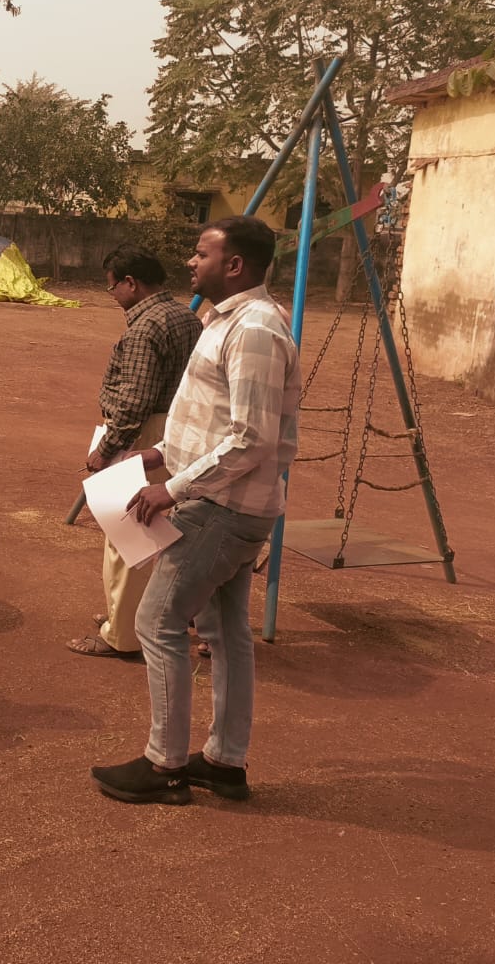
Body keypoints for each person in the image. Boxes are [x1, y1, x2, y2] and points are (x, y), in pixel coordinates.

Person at [90, 215, 301, 805]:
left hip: (221, 508)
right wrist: (160, 453)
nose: (190, 261)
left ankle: (165, 764)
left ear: (233, 265)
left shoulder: (254, 329)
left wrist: (174, 487)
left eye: (201, 253)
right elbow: (215, 417)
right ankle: (224, 763)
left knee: (157, 623)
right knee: (225, 633)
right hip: (227, 502)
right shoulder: (223, 319)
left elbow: (251, 438)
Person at [68, 244, 202, 660]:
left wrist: (107, 447)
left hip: (144, 435)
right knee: (157, 530)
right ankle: (136, 613)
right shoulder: (185, 316)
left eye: (112, 288)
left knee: (129, 533)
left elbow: (135, 399)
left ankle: (123, 634)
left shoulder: (146, 328)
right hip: (175, 430)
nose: (112, 296)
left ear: (131, 283)